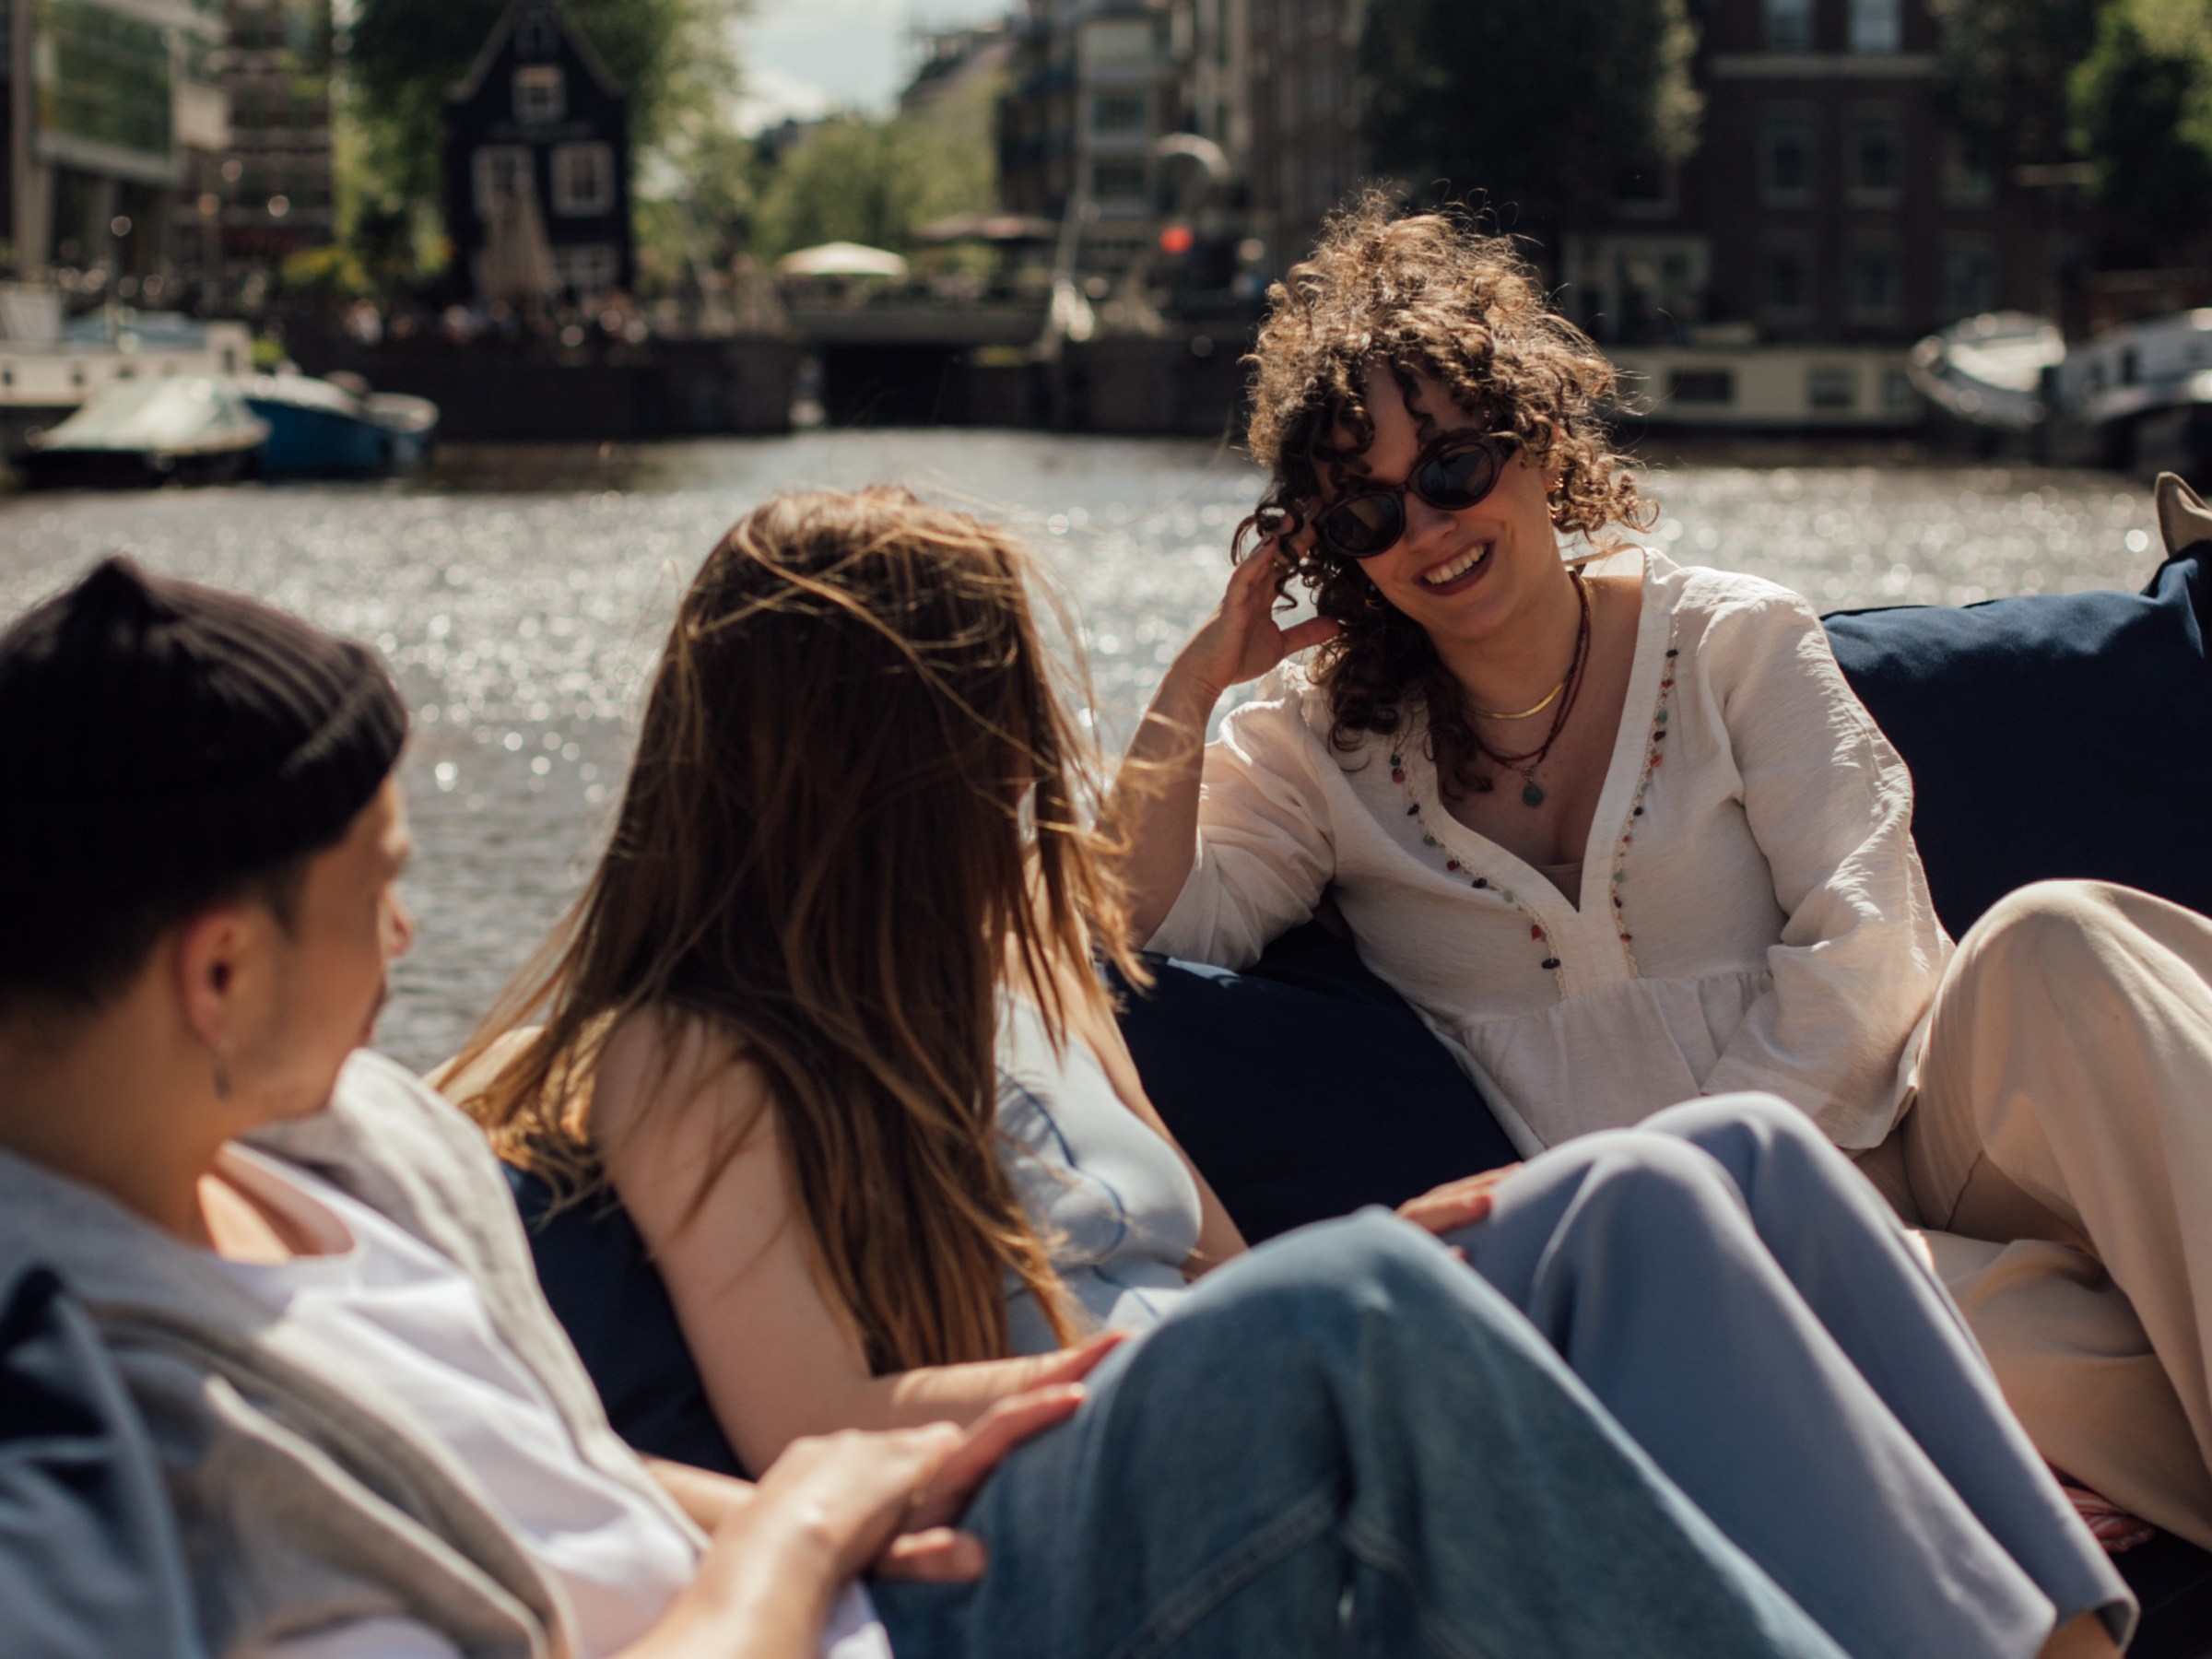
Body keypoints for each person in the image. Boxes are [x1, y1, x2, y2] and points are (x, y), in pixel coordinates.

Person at [0, 564, 1897, 1659]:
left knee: (1703, 1163)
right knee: (1355, 1327)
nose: (415, 930)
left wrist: (786, 1509)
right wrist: (801, 1525)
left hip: (851, 1562)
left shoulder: (361, 1152)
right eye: (378, 887)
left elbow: (574, 1464)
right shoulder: (102, 1444)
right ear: (218, 975)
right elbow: (776, 1469)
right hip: (878, 1607)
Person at [453, 488, 2127, 1659]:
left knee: (1700, 1174)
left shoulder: (1027, 967)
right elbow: (816, 1428)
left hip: (1220, 1363)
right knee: (1359, 1312)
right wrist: (1246, 1327)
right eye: (998, 721)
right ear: (857, 762)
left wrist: (1411, 1230)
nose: (1031, 756)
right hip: (1068, 1473)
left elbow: (1214, 1265)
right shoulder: (697, 1046)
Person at [1107, 194, 2212, 1553]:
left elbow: (1873, 947)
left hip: (1905, 1155)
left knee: (2062, 941)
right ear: (1329, 543)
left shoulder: (1729, 641)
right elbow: (1150, 922)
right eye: (1369, 508)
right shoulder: (1319, 749)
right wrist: (1195, 679)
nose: (1428, 526)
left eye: (1454, 465)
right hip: (1683, 1289)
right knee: (1991, 1338)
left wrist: (1709, 1182)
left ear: (1541, 442)